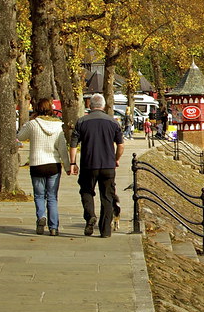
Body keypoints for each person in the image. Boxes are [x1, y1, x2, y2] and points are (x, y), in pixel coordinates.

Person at [69, 93, 124, 238]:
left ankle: (90, 216)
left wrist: (73, 162)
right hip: (108, 165)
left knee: (86, 191)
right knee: (107, 196)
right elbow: (121, 145)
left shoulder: (82, 122)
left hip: (89, 164)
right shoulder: (113, 122)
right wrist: (116, 158)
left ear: (89, 105)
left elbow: (73, 144)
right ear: (104, 106)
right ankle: (105, 230)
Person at [16, 98, 70, 236]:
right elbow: (62, 148)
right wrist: (68, 165)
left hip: (37, 164)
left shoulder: (33, 124)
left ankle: (41, 217)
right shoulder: (58, 126)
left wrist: (28, 120)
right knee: (52, 196)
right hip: (53, 164)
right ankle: (53, 227)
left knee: (39, 195)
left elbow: (20, 136)